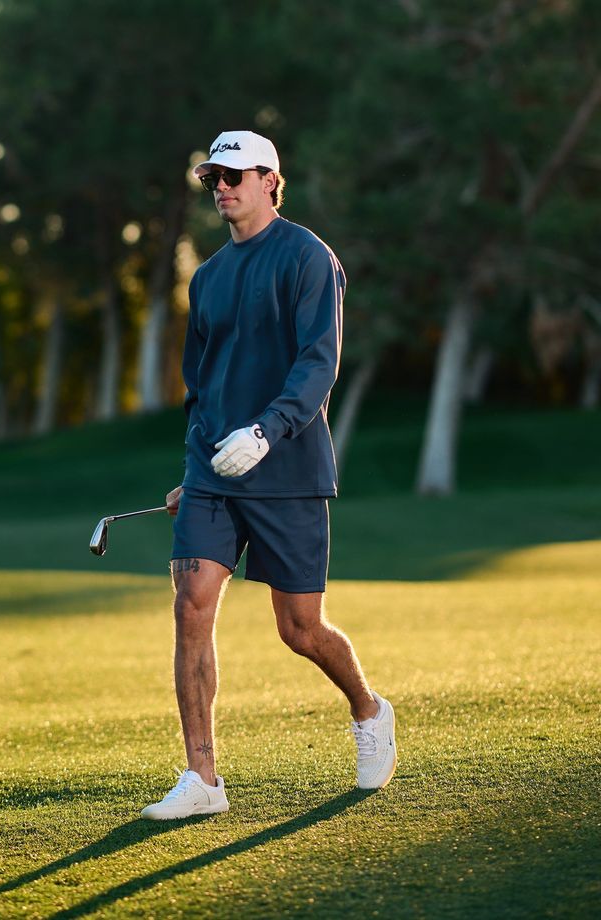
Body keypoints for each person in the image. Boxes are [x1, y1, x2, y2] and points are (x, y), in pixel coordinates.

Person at [141, 130, 396, 820]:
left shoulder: (309, 257)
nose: (220, 188)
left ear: (269, 181)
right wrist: (195, 469)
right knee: (191, 600)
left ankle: (369, 709)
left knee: (300, 628)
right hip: (215, 476)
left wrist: (266, 430)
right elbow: (201, 387)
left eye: (232, 176)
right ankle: (203, 780)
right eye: (212, 180)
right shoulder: (209, 276)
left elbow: (318, 363)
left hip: (287, 468)